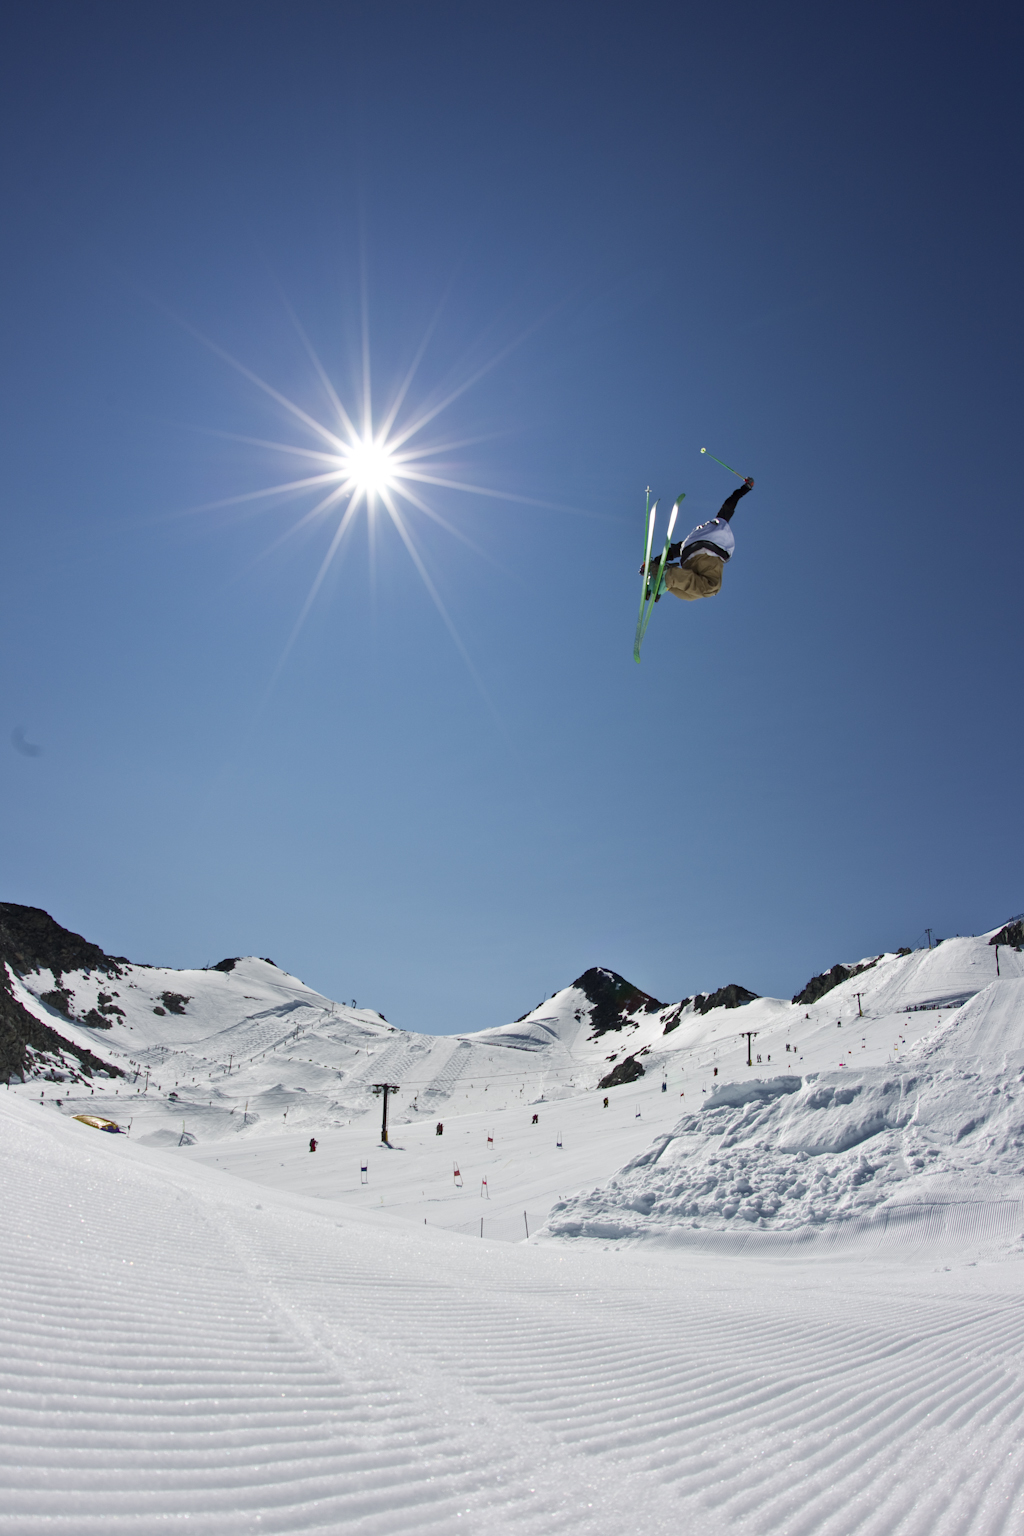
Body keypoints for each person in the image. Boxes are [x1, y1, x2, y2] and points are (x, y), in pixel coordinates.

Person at [645, 479, 754, 602]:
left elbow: (677, 550)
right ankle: (668, 576)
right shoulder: (716, 526)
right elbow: (729, 505)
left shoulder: (693, 536)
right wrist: (745, 488)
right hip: (708, 557)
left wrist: (658, 560)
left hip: (689, 560)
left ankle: (658, 581)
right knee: (711, 586)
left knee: (691, 593)